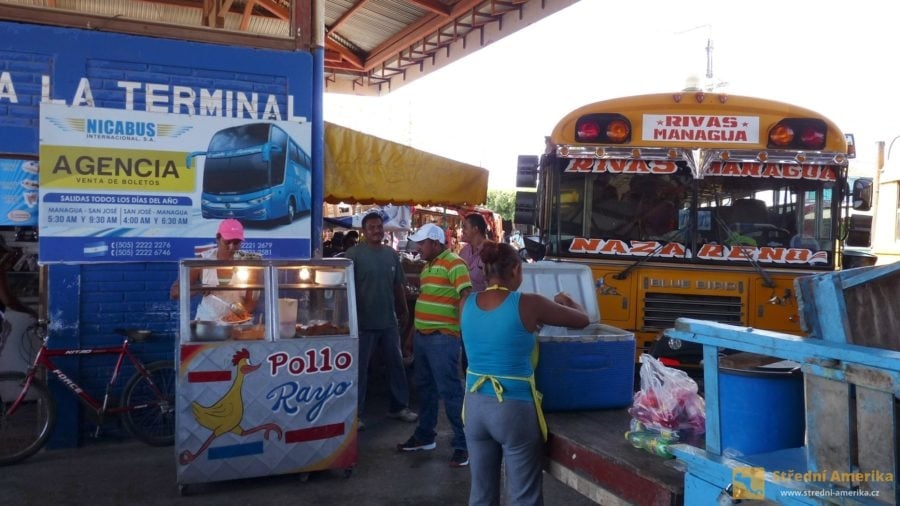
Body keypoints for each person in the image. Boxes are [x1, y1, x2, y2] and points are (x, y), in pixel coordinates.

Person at [460, 241, 589, 506]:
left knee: (481, 495)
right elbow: (582, 319)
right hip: (512, 408)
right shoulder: (529, 304)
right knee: (523, 497)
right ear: (516, 269)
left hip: (474, 406)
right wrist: (566, 300)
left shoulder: (466, 303)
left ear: (485, 270)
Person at [397, 223, 472, 468]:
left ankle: (463, 445)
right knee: (425, 389)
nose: (418, 247)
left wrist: (463, 330)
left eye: (422, 243)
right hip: (424, 338)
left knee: (451, 392)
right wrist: (411, 337)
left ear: (436, 243)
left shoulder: (455, 263)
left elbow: (465, 296)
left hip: (443, 339)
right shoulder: (427, 268)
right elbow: (423, 302)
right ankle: (425, 436)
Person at [344, 212, 417, 431]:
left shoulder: (391, 255)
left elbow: (398, 286)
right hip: (363, 323)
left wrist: (403, 309)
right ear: (364, 232)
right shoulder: (353, 254)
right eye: (372, 227)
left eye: (379, 226)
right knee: (361, 369)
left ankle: (399, 407)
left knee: (396, 365)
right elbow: (345, 288)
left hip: (388, 321)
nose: (377, 230)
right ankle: (356, 413)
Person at [169, 218, 260, 320]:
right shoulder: (203, 261)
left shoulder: (248, 263)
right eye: (227, 242)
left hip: (237, 325)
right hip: (208, 323)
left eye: (236, 243)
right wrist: (198, 289)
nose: (231, 247)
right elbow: (175, 293)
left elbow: (252, 301)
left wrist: (236, 316)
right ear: (218, 239)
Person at [459, 213, 489, 292]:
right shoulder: (464, 251)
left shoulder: (491, 252)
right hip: (464, 301)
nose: (462, 230)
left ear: (475, 229)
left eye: (465, 227)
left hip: (482, 302)